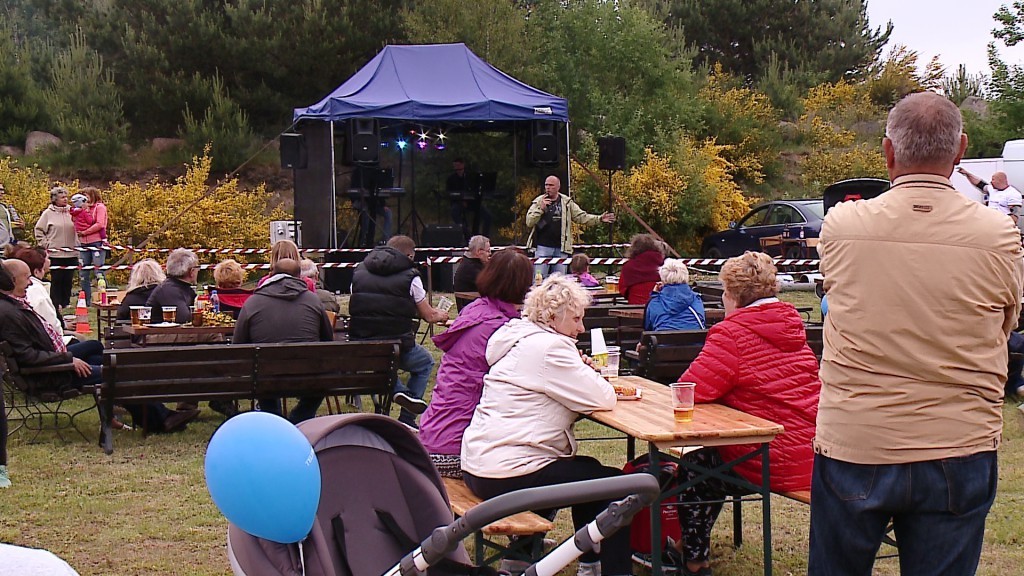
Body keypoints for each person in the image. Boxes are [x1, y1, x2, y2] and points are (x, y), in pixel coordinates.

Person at [810, 92, 1024, 575]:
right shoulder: (997, 234)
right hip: (958, 440)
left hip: (858, 438)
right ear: (961, 150)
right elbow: (1007, 323)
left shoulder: (843, 224)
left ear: (888, 151)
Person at [461, 275, 627, 576]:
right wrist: (589, 373)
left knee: (586, 470)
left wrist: (579, 371)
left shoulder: (520, 338)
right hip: (508, 470)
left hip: (480, 464)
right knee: (615, 486)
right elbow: (603, 397)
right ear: (552, 318)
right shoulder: (551, 348)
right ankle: (611, 570)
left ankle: (530, 558)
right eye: (575, 319)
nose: (581, 328)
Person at [672, 251, 819, 576]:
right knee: (710, 464)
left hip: (770, 458)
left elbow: (691, 389)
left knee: (695, 469)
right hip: (811, 453)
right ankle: (686, 547)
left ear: (734, 295)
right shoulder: (791, 326)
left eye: (724, 291)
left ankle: (694, 563)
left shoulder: (731, 333)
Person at [419, 249, 533, 478]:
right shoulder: (501, 330)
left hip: (432, 436)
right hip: (458, 451)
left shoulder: (475, 310)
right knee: (538, 469)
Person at [349, 235, 448, 428]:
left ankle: (399, 390)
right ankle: (407, 416)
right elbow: (428, 315)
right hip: (397, 345)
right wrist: (441, 315)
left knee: (381, 363)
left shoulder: (359, 271)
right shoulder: (411, 276)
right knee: (425, 363)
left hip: (364, 347)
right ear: (409, 255)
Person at [234, 258, 335, 422]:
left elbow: (238, 344)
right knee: (323, 374)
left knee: (261, 370)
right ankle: (301, 416)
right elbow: (327, 340)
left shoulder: (253, 302)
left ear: (271, 275)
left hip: (264, 378)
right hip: (309, 376)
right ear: (300, 277)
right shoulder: (313, 300)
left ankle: (274, 417)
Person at [526, 175, 615, 278]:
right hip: (543, 247)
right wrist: (540, 209)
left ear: (558, 187)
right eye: (546, 185)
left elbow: (581, 217)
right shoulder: (538, 201)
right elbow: (529, 222)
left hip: (561, 248)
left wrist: (599, 219)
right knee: (539, 280)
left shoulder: (566, 202)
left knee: (560, 281)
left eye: (551, 185)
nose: (548, 188)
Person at [33, 186, 78, 312]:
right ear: (55, 199)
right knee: (57, 279)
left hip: (71, 252)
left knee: (68, 279)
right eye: (62, 197)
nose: (65, 199)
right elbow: (39, 230)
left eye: (66, 197)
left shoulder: (72, 212)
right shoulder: (47, 213)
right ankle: (55, 303)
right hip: (55, 254)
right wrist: (46, 244)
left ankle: (66, 302)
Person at [11, 247, 63, 335]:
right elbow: (53, 327)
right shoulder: (37, 290)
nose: (30, 282)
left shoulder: (10, 292)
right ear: (36, 272)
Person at [643, 259, 705, 332]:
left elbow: (647, 326)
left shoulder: (654, 302)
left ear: (662, 278)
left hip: (662, 339)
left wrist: (654, 295)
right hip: (695, 339)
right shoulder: (697, 299)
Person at [72, 187, 109, 304]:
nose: (84, 198)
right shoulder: (82, 209)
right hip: (83, 243)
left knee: (99, 271)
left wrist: (85, 232)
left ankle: (103, 298)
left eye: (86, 195)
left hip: (96, 242)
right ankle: (86, 299)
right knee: (83, 272)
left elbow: (100, 224)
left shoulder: (100, 207)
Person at [146, 248, 199, 325]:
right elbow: (184, 319)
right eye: (198, 268)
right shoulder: (169, 290)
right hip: (159, 332)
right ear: (192, 272)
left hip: (168, 331)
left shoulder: (181, 288)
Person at [959, 168, 1024, 225]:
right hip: (990, 222)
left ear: (999, 180)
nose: (991, 182)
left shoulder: (1013, 194)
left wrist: (1004, 225)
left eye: (993, 179)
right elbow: (979, 184)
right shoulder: (992, 189)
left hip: (1003, 225)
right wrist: (967, 174)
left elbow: (1015, 215)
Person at [619, 234, 665, 305]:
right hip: (660, 306)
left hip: (635, 306)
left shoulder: (628, 266)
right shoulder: (665, 265)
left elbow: (622, 289)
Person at [453, 235, 490, 310]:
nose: (490, 254)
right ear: (479, 252)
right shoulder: (471, 268)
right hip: (473, 310)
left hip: (474, 307)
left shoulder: (471, 263)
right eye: (488, 251)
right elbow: (491, 286)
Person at [0, 181, 25, 247]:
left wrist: (20, 225)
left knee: (26, 247)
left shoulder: (5, 207)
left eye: (2, 190)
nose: (2, 192)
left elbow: (7, 225)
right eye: (0, 190)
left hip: (8, 243)